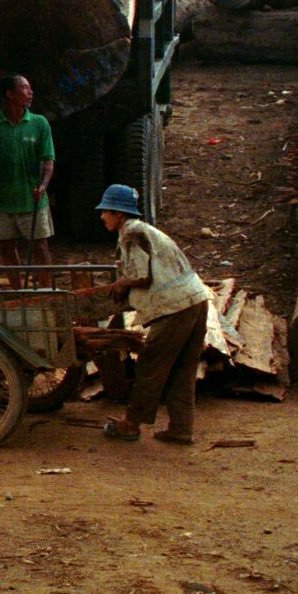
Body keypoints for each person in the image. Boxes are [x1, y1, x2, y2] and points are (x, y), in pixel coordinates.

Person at [92, 185, 213, 445]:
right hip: (195, 300)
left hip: (175, 307)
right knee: (182, 369)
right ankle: (181, 429)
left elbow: (142, 276)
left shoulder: (132, 234)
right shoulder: (144, 231)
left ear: (119, 214)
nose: (102, 217)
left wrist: (123, 283)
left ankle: (131, 425)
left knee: (149, 364)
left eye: (106, 211)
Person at [0, 74, 56, 266]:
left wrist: (43, 185)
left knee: (40, 247)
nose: (30, 92)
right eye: (25, 88)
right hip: (1, 201)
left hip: (32, 201)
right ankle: (16, 284)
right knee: (6, 248)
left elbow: (48, 161)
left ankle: (45, 285)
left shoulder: (39, 123)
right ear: (10, 94)